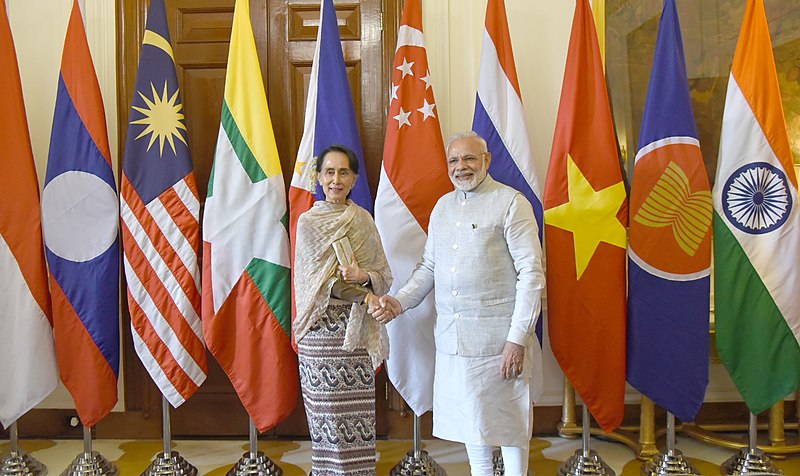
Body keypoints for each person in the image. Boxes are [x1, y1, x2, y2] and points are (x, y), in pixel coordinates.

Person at [371, 131, 544, 476]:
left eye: (469, 158)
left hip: (500, 343)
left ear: (486, 160)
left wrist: (517, 338)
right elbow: (429, 269)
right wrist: (398, 303)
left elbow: (532, 274)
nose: (461, 167)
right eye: (454, 160)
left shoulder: (511, 202)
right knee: (473, 428)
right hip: (453, 342)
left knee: (509, 427)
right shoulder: (443, 207)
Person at [294, 144, 394, 475]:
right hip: (321, 335)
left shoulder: (362, 219)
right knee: (326, 423)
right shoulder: (309, 223)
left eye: (344, 172)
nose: (336, 179)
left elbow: (383, 274)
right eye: (329, 172)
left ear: (353, 178)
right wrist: (365, 296)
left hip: (356, 336)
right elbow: (321, 284)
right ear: (319, 177)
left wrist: (364, 277)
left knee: (358, 425)